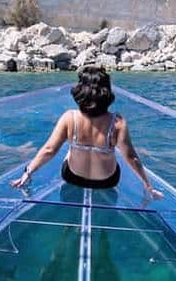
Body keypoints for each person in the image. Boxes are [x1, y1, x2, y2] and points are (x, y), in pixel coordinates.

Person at [10, 66, 163, 198]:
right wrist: (147, 185)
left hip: (74, 177)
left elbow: (49, 150)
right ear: (107, 92)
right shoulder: (117, 122)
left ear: (80, 91)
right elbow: (131, 158)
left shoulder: (69, 118)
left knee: (70, 149)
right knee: (113, 154)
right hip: (106, 180)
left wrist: (28, 172)